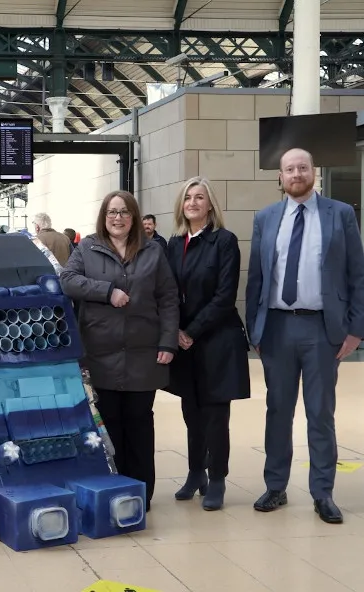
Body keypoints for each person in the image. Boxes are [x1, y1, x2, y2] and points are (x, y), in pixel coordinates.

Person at [246, 148, 364, 525]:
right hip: (277, 328)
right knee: (278, 411)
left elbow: (358, 276)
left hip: (322, 329)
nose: (296, 173)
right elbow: (256, 279)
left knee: (320, 413)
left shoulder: (340, 214)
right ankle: (276, 486)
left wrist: (355, 329)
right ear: (280, 177)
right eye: (289, 169)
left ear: (314, 172)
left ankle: (323, 493)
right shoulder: (265, 218)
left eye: (303, 167)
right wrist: (256, 328)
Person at [60, 190, 179, 511]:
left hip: (143, 353)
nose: (118, 218)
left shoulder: (153, 251)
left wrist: (168, 341)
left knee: (140, 424)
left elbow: (168, 298)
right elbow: (66, 279)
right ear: (104, 216)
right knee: (110, 424)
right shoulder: (87, 248)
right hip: (101, 353)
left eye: (124, 212)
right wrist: (106, 291)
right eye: (112, 212)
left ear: (134, 217)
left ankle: (142, 493)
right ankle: (115, 489)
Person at [166, 177, 250, 511]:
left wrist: (191, 331)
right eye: (188, 197)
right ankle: (195, 472)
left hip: (216, 339)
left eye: (200, 197)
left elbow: (225, 296)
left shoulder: (224, 241)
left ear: (210, 204)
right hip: (185, 342)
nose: (193, 202)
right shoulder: (174, 244)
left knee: (215, 415)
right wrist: (174, 329)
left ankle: (217, 479)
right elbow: (167, 292)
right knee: (191, 412)